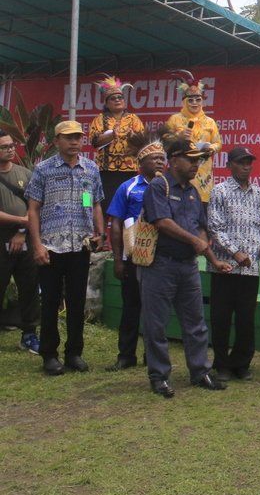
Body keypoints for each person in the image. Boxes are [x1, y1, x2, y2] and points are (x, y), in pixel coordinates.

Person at [139, 134, 232, 398]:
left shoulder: (193, 192)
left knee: (195, 323)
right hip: (160, 265)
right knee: (156, 324)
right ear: (174, 160)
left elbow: (200, 229)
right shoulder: (159, 187)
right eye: (191, 160)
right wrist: (195, 241)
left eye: (199, 161)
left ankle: (200, 372)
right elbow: (161, 222)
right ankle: (159, 377)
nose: (196, 165)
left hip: (188, 266)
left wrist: (213, 259)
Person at [24, 120, 105, 375]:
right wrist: (37, 244)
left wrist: (99, 232)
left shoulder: (90, 169)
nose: (74, 142)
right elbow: (33, 210)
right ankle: (49, 354)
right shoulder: (43, 169)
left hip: (80, 245)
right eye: (68, 137)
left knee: (77, 301)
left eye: (78, 138)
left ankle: (74, 353)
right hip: (51, 246)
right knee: (49, 302)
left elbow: (95, 203)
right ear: (57, 140)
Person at [207, 146, 260, 381]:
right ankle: (221, 364)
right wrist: (235, 252)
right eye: (241, 162)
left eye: (249, 162)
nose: (246, 166)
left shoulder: (259, 195)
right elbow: (215, 227)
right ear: (230, 165)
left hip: (250, 268)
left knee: (245, 318)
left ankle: (241, 363)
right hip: (225, 266)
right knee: (221, 317)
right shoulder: (219, 191)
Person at [104, 128, 166, 371]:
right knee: (131, 307)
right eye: (155, 158)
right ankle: (126, 355)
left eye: (163, 157)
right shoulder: (128, 187)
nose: (160, 161)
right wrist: (119, 259)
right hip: (133, 257)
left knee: (156, 311)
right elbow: (116, 223)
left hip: (160, 258)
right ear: (141, 162)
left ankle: (153, 357)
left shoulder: (169, 187)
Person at [0, 132, 39, 356]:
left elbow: (35, 206)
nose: (10, 150)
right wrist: (21, 221)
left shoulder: (25, 174)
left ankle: (29, 334)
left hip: (26, 239)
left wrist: (23, 230)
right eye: (4, 147)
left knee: (30, 287)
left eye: (12, 145)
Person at [88, 76, 146, 204]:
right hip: (106, 170)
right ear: (107, 103)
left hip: (129, 170)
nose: (117, 100)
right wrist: (111, 135)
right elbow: (94, 141)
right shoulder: (100, 119)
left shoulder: (133, 119)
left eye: (120, 97)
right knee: (104, 203)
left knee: (127, 205)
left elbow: (142, 142)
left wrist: (133, 136)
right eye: (113, 98)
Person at [165, 71, 221, 203]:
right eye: (190, 100)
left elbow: (218, 143)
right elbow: (164, 141)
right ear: (184, 102)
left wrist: (211, 148)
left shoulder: (209, 122)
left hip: (203, 170)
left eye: (198, 99)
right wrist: (178, 136)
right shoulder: (175, 119)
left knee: (201, 210)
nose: (195, 103)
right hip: (181, 169)